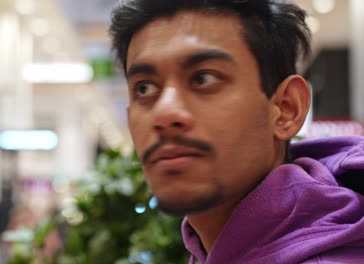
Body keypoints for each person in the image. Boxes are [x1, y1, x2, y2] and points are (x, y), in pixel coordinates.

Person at [109, 0, 364, 263]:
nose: (164, 113)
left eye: (203, 78)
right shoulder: (211, 246)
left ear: (286, 109)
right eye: (144, 88)